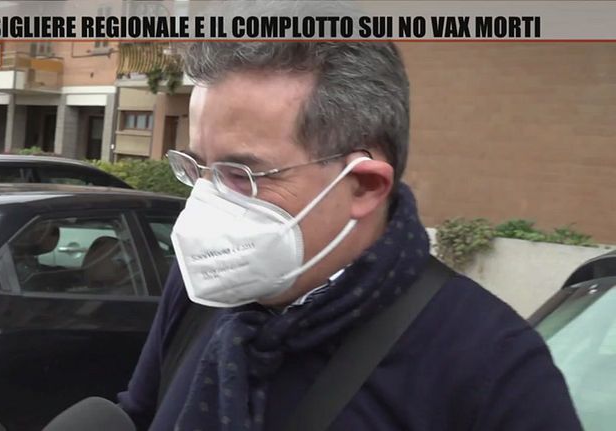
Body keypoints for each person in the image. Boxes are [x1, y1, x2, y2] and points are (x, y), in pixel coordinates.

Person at [117, 41, 583, 430]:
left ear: (364, 185)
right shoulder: (202, 291)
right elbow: (138, 415)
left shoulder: (493, 366)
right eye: (197, 167)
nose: (207, 203)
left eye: (240, 175)